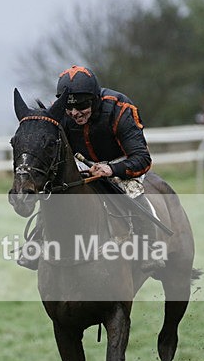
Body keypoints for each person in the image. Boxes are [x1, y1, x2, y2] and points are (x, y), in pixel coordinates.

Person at [18, 65, 160, 271]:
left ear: (94, 99)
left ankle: (149, 247)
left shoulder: (120, 109)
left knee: (132, 190)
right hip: (81, 162)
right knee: (54, 192)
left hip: (120, 163)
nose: (74, 113)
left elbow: (142, 159)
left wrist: (111, 169)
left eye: (82, 106)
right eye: (69, 107)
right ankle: (38, 239)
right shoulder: (59, 112)